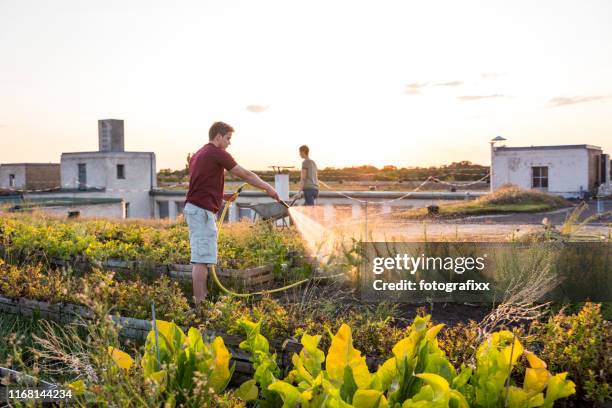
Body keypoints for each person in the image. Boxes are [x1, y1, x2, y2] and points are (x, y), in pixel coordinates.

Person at [185, 121, 280, 303]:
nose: (229, 142)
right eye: (228, 138)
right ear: (218, 136)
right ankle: (199, 305)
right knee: (201, 260)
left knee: (203, 259)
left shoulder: (200, 154)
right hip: (201, 212)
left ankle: (202, 300)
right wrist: (268, 188)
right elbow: (245, 174)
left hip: (198, 210)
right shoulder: (217, 153)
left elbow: (202, 184)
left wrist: (223, 195)